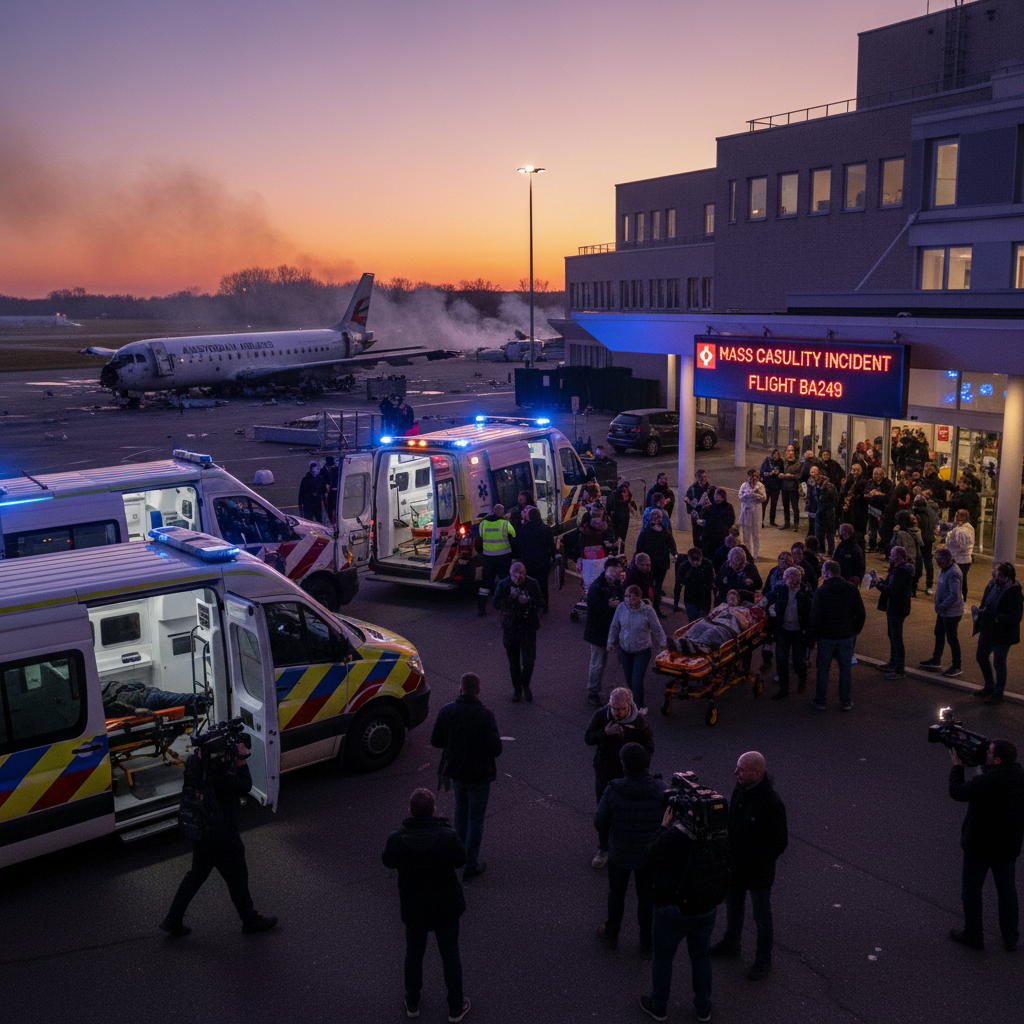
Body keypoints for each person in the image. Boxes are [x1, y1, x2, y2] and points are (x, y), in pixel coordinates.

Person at [160, 738, 277, 937]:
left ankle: (173, 919)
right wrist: (240, 760)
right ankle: (250, 920)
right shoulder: (223, 776)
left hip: (202, 830)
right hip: (222, 833)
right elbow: (246, 785)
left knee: (196, 875)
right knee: (238, 876)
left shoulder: (194, 763)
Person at [382, 788, 471, 1022]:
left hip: (414, 908)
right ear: (433, 810)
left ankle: (412, 1002)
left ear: (410, 811)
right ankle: (455, 1006)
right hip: (446, 906)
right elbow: (461, 859)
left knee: (414, 954)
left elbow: (388, 862)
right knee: (450, 955)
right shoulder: (447, 836)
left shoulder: (397, 838)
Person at [640, 797, 729, 1021]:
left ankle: (659, 1005)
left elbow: (649, 854)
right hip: (706, 907)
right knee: (701, 957)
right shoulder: (718, 836)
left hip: (673, 908)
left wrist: (663, 826)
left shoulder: (675, 837)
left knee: (663, 958)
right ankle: (703, 1007)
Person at [711, 751, 788, 980]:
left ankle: (763, 960)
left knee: (761, 916)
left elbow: (779, 842)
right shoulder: (741, 789)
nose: (736, 773)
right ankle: (731, 942)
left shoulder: (771, 803)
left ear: (757, 772)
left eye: (741, 770)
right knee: (734, 906)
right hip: (736, 865)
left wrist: (757, 861)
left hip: (757, 872)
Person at [948, 740, 1024, 953]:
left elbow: (957, 791)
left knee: (972, 891)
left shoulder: (987, 782)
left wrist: (957, 766)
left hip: (980, 846)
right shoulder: (1019, 776)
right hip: (1008, 846)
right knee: (1007, 891)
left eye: (989, 752)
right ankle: (1011, 937)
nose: (986, 754)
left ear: (997, 759)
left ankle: (974, 935)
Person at [594, 743, 666, 956]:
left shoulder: (613, 790)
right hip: (648, 855)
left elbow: (599, 822)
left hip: (620, 853)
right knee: (646, 899)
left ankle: (612, 933)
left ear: (624, 764)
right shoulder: (660, 789)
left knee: (617, 895)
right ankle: (646, 943)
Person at [430, 672, 502, 882]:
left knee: (460, 814)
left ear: (460, 689)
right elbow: (496, 749)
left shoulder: (447, 710)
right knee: (476, 819)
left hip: (456, 772)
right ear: (478, 691)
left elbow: (436, 741)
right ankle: (470, 864)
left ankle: (457, 856)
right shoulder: (485, 716)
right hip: (479, 775)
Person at [585, 687, 655, 868]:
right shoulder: (601, 715)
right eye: (614, 708)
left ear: (629, 705)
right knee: (604, 809)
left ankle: (629, 847)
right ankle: (603, 848)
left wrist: (633, 757)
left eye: (621, 709)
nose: (617, 712)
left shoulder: (640, 723)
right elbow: (588, 737)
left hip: (630, 775)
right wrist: (605, 734)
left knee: (630, 812)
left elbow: (649, 749)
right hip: (605, 771)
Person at [810, 560, 865, 711]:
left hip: (827, 637)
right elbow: (860, 613)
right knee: (845, 669)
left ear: (827, 573)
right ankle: (845, 701)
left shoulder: (821, 591)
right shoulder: (851, 589)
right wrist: (855, 631)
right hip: (846, 635)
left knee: (823, 669)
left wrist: (816, 636)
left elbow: (815, 617)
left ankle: (821, 701)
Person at [607, 585, 667, 710]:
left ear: (640, 597)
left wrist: (664, 645)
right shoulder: (621, 608)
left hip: (642, 650)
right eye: (628, 596)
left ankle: (639, 705)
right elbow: (615, 626)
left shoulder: (648, 611)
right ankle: (632, 700)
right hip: (625, 650)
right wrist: (611, 641)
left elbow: (657, 629)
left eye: (634, 596)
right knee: (629, 678)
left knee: (636, 680)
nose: (630, 599)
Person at [492, 561, 543, 702]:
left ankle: (525, 684)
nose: (519, 580)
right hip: (510, 628)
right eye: (516, 578)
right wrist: (510, 598)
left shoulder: (532, 584)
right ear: (511, 574)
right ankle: (517, 689)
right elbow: (496, 603)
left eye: (522, 577)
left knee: (529, 661)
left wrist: (529, 601)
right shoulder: (504, 584)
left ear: (525, 574)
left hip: (528, 627)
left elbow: (541, 603)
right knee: (513, 663)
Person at [974, 562, 1024, 705]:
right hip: (988, 628)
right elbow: (985, 602)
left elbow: (1015, 617)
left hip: (1003, 633)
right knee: (981, 656)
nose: (998, 578)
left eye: (1001, 576)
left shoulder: (1014, 592)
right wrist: (981, 611)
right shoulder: (992, 585)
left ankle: (998, 692)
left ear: (1009, 577)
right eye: (997, 575)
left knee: (999, 662)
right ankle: (989, 686)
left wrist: (996, 617)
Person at [763, 566, 812, 699]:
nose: (792, 583)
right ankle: (783, 689)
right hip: (784, 630)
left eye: (795, 579)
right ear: (785, 579)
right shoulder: (781, 589)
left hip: (799, 632)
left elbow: (810, 607)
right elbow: (769, 597)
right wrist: (761, 605)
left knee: (798, 661)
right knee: (781, 659)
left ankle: (802, 679)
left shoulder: (805, 591)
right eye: (789, 579)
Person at [584, 558, 626, 707]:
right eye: (614, 572)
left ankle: (624, 690)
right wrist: (608, 605)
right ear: (607, 569)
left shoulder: (615, 585)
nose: (616, 575)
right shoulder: (597, 586)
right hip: (599, 631)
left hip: (613, 629)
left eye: (619, 572)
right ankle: (593, 692)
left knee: (623, 658)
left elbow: (621, 599)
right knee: (598, 663)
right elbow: (592, 608)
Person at [868, 544, 914, 679]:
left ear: (899, 558)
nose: (890, 558)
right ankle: (893, 663)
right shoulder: (900, 569)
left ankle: (899, 669)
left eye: (892, 556)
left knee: (896, 638)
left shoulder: (901, 571)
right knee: (893, 636)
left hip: (897, 607)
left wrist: (878, 585)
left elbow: (893, 590)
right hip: (896, 607)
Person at [918, 547, 964, 678]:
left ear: (945, 561)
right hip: (944, 611)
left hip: (951, 612)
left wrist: (942, 605)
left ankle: (957, 666)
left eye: (938, 561)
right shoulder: (946, 569)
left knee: (952, 638)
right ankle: (936, 659)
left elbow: (954, 594)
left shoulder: (953, 572)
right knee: (939, 633)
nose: (937, 563)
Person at [676, 590, 755, 654]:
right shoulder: (723, 605)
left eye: (734, 597)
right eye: (730, 596)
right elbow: (710, 615)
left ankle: (699, 646)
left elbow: (747, 625)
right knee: (699, 625)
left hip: (727, 628)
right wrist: (715, 613)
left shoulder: (744, 610)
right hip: (713, 622)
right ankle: (684, 640)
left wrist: (735, 614)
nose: (731, 599)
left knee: (711, 632)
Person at [635, 509, 677, 617]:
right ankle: (648, 607)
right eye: (655, 517)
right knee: (648, 586)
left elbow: (672, 545)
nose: (657, 520)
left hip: (660, 564)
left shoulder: (663, 532)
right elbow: (639, 547)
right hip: (650, 564)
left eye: (659, 518)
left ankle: (655, 609)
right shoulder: (648, 531)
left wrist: (675, 554)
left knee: (657, 587)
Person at [477, 504, 515, 616]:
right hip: (503, 558)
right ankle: (508, 607)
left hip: (488, 558)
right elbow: (514, 535)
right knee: (506, 581)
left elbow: (480, 536)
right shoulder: (505, 523)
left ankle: (481, 609)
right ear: (501, 512)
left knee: (485, 584)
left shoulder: (483, 523)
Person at [517, 507, 557, 610]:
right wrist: (555, 557)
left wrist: (520, 560)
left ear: (530, 516)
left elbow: (521, 546)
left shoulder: (524, 529)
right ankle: (544, 605)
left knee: (530, 584)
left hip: (529, 561)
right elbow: (551, 546)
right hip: (543, 561)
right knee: (543, 584)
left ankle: (532, 604)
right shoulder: (546, 528)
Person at [673, 546, 715, 621]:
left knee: (699, 622)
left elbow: (711, 583)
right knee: (694, 622)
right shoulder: (706, 564)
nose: (695, 563)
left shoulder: (685, 566)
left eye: (697, 560)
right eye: (693, 561)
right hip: (693, 600)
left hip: (702, 600)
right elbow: (678, 584)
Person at [945, 508, 975, 600]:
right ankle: (962, 597)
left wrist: (949, 536)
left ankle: (958, 598)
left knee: (957, 580)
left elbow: (957, 545)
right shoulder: (970, 528)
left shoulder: (960, 531)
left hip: (959, 559)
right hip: (966, 559)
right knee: (963, 579)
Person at [738, 468, 767, 560]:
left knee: (756, 534)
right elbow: (740, 496)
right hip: (746, 512)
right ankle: (748, 553)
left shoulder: (760, 486)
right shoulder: (744, 486)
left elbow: (764, 498)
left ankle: (755, 554)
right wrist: (747, 495)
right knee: (746, 535)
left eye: (755, 476)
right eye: (751, 477)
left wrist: (756, 495)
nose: (753, 478)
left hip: (756, 512)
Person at [699, 488, 735, 560]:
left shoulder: (728, 508)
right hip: (708, 538)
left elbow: (730, 521)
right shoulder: (708, 508)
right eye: (716, 496)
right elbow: (702, 520)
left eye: (720, 496)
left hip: (721, 537)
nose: (717, 498)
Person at [865, 466, 894, 552]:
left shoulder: (888, 483)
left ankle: (882, 545)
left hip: (883, 509)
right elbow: (865, 493)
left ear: (882, 475)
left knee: (882, 528)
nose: (876, 476)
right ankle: (872, 544)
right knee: (872, 527)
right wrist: (870, 494)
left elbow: (890, 496)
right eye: (874, 474)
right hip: (872, 509)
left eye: (878, 474)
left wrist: (879, 494)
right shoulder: (869, 483)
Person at [684, 469, 714, 548]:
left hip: (707, 514)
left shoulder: (711, 488)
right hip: (696, 515)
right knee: (696, 533)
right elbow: (688, 500)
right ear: (697, 477)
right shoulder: (692, 489)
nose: (703, 479)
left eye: (705, 477)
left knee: (706, 532)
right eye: (701, 477)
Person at [779, 445, 802, 531]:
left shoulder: (798, 464)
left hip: (793, 488)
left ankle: (796, 524)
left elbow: (801, 475)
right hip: (784, 487)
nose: (790, 453)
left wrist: (792, 476)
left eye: (792, 451)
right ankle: (787, 523)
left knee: (795, 507)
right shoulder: (783, 463)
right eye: (788, 451)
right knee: (785, 506)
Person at [298, 459, 328, 524]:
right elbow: (301, 493)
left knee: (319, 521)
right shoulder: (306, 479)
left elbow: (324, 493)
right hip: (308, 505)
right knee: (309, 522)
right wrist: (301, 505)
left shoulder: (320, 479)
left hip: (317, 504)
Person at [759, 449, 784, 527]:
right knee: (764, 504)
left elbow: (783, 472)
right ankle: (761, 521)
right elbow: (762, 473)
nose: (776, 456)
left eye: (778, 455)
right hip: (767, 485)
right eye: (775, 455)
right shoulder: (767, 461)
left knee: (774, 504)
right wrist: (771, 473)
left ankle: (772, 521)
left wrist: (779, 473)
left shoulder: (781, 462)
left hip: (776, 486)